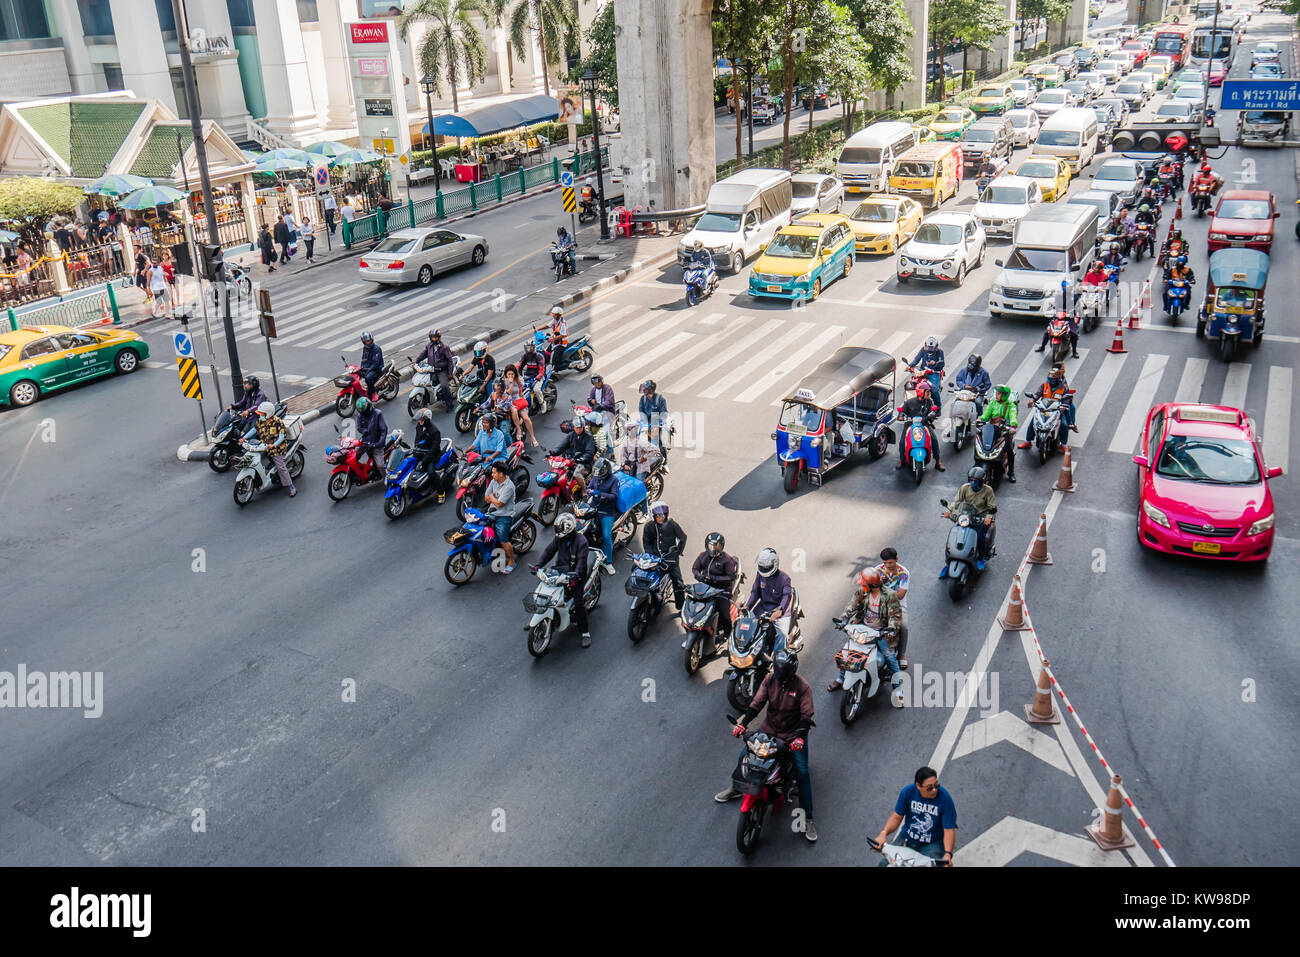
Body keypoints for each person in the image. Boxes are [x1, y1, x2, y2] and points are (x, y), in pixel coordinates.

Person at [716, 649, 818, 843]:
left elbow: (806, 717)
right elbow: (756, 704)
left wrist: (799, 738)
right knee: (743, 757)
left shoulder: (803, 687)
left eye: (784, 675)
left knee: (803, 773)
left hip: (792, 735)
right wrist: (743, 724)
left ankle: (809, 818)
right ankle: (735, 789)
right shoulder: (770, 679)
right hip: (768, 730)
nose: (780, 679)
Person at [830, 570, 904, 705]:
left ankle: (898, 689)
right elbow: (851, 605)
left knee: (890, 657)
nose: (862, 587)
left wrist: (891, 628)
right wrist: (842, 619)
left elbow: (896, 615)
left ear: (872, 585)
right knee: (848, 653)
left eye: (865, 585)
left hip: (881, 633)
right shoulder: (862, 592)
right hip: (862, 629)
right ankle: (840, 679)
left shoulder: (889, 595)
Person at [871, 766, 957, 864]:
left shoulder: (945, 799)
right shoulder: (908, 792)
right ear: (918, 785)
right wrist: (883, 833)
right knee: (884, 864)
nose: (934, 790)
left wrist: (948, 853)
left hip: (933, 843)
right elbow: (896, 817)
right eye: (929, 788)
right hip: (907, 837)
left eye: (936, 785)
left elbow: (949, 829)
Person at [531, 512, 592, 647]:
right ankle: (538, 617)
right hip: (560, 570)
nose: (557, 532)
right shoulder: (559, 538)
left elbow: (581, 564)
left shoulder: (582, 542)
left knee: (579, 603)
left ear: (568, 529)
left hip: (575, 576)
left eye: (559, 529)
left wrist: (575, 577)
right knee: (543, 590)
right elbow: (548, 551)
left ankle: (585, 633)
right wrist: (538, 565)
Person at [742, 547, 797, 650]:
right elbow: (755, 592)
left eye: (767, 567)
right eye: (762, 567)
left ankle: (776, 657)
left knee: (782, 635)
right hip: (762, 608)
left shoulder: (784, 579)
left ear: (775, 564)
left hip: (780, 610)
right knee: (746, 626)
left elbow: (786, 596)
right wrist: (747, 606)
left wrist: (780, 610)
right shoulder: (760, 574)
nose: (764, 570)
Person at [692, 532, 739, 638]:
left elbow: (730, 577)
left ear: (721, 546)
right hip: (705, 589)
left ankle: (728, 635)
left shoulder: (727, 560)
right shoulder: (703, 556)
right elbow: (695, 569)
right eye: (711, 545)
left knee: (725, 615)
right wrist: (699, 576)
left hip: (722, 591)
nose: (713, 548)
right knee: (694, 608)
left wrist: (715, 579)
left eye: (716, 545)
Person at [641, 500, 687, 607]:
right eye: (658, 516)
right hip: (654, 559)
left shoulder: (672, 524)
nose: (661, 518)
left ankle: (681, 606)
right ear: (653, 516)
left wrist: (677, 552)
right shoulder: (648, 527)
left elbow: (683, 538)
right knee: (647, 579)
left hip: (671, 560)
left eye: (663, 515)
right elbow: (646, 543)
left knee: (678, 582)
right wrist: (650, 555)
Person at [944, 467, 998, 560]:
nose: (972, 483)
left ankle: (981, 557)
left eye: (975, 481)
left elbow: (992, 507)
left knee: (980, 537)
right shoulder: (965, 487)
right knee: (956, 534)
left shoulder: (988, 491)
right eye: (971, 480)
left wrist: (988, 517)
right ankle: (948, 559)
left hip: (981, 519)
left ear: (981, 481)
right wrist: (949, 511)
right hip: (966, 516)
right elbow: (956, 501)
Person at [895, 380, 944, 471]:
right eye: (927, 391)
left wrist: (932, 415)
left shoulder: (929, 402)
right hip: (910, 424)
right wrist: (901, 416)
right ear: (921, 392)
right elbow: (902, 410)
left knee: (934, 439)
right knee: (902, 441)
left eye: (929, 392)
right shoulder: (910, 402)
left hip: (925, 424)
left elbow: (933, 412)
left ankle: (938, 461)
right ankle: (902, 459)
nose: (929, 393)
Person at [875, 547, 912, 666]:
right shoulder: (877, 570)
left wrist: (882, 589)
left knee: (904, 627)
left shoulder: (904, 573)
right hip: (879, 604)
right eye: (885, 562)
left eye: (890, 562)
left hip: (898, 606)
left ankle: (902, 654)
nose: (887, 565)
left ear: (896, 559)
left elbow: (900, 595)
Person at [252, 401, 297, 497]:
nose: (260, 416)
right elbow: (254, 429)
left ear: (268, 413)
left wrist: (274, 445)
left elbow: (281, 437)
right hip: (265, 445)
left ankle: (291, 487)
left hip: (277, 449)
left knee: (281, 467)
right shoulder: (261, 421)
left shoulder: (277, 422)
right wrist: (243, 438)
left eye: (262, 414)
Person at [586, 458, 622, 573]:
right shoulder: (596, 477)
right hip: (593, 507)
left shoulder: (614, 480)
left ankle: (608, 562)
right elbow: (589, 487)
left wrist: (600, 494)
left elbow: (614, 496)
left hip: (606, 511)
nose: (597, 474)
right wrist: (589, 491)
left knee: (607, 537)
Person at [484, 460, 518, 574]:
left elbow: (499, 504)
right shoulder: (494, 481)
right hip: (492, 512)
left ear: (501, 474)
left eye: (494, 473)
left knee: (502, 539)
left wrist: (492, 498)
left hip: (505, 515)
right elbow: (486, 497)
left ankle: (512, 561)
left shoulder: (509, 486)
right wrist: (493, 499)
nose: (492, 474)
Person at [978, 384, 1018, 482]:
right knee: (979, 443)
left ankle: (1011, 472)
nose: (997, 395)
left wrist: (1013, 426)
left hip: (1004, 430)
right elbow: (986, 415)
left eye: (999, 393)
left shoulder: (1011, 405)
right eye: (996, 393)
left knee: (1009, 449)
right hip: (991, 429)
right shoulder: (993, 403)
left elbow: (1013, 416)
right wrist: (980, 419)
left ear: (1004, 395)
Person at [410, 408, 446, 501]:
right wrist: (415, 450)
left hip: (433, 455)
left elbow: (434, 448)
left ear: (427, 419)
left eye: (421, 420)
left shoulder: (435, 431)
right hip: (421, 452)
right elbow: (417, 440)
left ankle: (441, 493)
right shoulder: (419, 426)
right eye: (419, 420)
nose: (419, 421)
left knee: (431, 472)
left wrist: (425, 459)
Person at [415, 329, 456, 409]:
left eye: (435, 337)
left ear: (438, 337)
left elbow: (450, 360)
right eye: (432, 337)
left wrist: (450, 373)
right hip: (431, 369)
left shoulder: (444, 347)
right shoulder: (429, 346)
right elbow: (422, 354)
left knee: (444, 386)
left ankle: (449, 405)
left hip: (442, 371)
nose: (434, 339)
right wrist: (416, 362)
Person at [500, 365, 540, 448]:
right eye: (509, 374)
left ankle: (532, 437)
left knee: (526, 418)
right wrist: (510, 383)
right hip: (509, 402)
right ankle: (519, 429)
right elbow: (508, 393)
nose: (511, 376)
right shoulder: (504, 382)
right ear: (506, 375)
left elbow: (524, 385)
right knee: (514, 410)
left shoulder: (518, 379)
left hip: (518, 401)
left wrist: (517, 380)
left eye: (512, 374)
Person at [354, 396, 389, 474]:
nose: (363, 414)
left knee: (380, 465)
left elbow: (384, 431)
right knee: (353, 456)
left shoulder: (378, 414)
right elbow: (359, 427)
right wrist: (364, 431)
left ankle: (387, 480)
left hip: (376, 444)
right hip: (365, 442)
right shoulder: (360, 415)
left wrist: (377, 444)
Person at [638, 380, 670, 451]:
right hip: (646, 423)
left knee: (657, 441)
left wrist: (659, 425)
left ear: (651, 390)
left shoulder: (660, 400)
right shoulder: (643, 399)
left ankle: (664, 458)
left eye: (645, 389)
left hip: (657, 422)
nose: (644, 391)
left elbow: (663, 414)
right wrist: (644, 424)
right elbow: (641, 412)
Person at [359, 331, 384, 397]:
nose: (368, 342)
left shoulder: (376, 349)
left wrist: (368, 370)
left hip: (376, 369)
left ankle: (373, 393)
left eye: (369, 341)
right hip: (367, 368)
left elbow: (376, 363)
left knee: (368, 378)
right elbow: (363, 359)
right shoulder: (365, 348)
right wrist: (361, 368)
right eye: (366, 341)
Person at [544, 306, 569, 370]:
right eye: (552, 314)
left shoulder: (562, 322)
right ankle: (547, 366)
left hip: (562, 344)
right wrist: (538, 329)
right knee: (547, 352)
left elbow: (563, 335)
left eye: (554, 314)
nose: (553, 315)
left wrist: (552, 339)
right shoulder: (554, 320)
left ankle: (556, 369)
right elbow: (547, 326)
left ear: (558, 315)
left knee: (555, 357)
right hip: (555, 342)